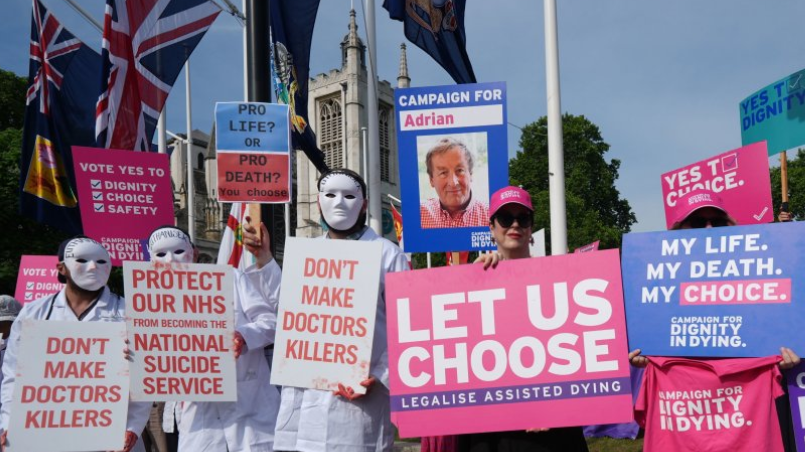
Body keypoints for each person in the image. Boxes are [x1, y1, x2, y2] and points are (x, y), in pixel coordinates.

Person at [629, 189, 800, 452]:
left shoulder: (755, 272)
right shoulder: (652, 282)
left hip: (746, 415)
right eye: (698, 222)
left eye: (717, 222)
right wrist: (645, 356)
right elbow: (645, 340)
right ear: (678, 230)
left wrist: (787, 357)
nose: (709, 229)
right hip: (683, 413)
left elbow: (774, 330)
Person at [271, 168, 409, 452]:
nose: (339, 203)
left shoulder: (388, 255)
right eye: (330, 195)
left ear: (364, 204)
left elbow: (408, 327)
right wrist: (262, 261)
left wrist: (379, 374)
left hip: (360, 408)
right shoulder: (305, 256)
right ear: (319, 201)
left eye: (349, 196)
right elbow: (287, 319)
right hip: (309, 407)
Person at [465, 186, 590, 452]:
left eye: (523, 218)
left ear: (531, 227)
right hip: (492, 426)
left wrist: (549, 406)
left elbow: (575, 350)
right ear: (491, 227)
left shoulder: (557, 279)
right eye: (505, 218)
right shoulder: (475, 278)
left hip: (553, 427)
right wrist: (473, 281)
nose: (515, 224)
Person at [0, 236, 150, 452]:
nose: (92, 267)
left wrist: (133, 427)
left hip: (112, 438)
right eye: (82, 260)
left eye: (101, 261)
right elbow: (13, 374)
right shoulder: (34, 313)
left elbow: (145, 378)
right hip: (47, 437)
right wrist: (9, 424)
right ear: (61, 267)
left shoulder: (131, 313)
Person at [145, 225, 281, 452]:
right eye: (160, 254)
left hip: (251, 412)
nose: (170, 261)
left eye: (178, 251)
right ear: (151, 260)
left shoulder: (230, 279)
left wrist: (244, 336)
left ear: (194, 252)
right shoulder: (149, 307)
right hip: (200, 423)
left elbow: (271, 323)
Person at [420, 138, 489, 229]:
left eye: (460, 170)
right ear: (431, 180)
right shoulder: (418, 214)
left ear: (470, 173)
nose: (453, 183)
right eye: (443, 173)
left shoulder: (492, 216)